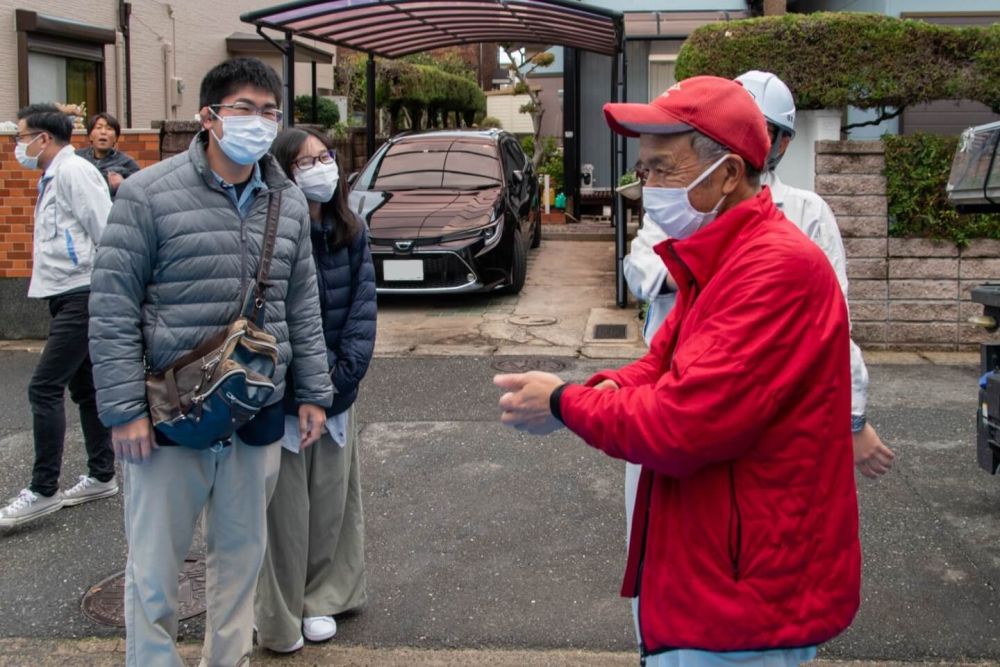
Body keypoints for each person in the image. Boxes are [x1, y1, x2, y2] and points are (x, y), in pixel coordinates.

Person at [496, 76, 861, 666]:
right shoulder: (725, 252)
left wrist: (566, 403)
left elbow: (684, 424)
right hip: (723, 574)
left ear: (728, 174)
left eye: (663, 170)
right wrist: (597, 390)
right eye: (644, 172)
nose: (650, 189)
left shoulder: (773, 269)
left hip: (747, 601)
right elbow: (661, 362)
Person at [88, 57, 333, 666]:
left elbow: (301, 302)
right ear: (210, 116)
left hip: (256, 411)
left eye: (269, 112)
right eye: (244, 109)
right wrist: (122, 410)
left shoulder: (288, 200)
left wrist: (313, 392)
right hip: (169, 416)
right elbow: (113, 304)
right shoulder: (149, 193)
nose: (258, 122)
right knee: (153, 573)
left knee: (239, 565)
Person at [735, 70, 895, 480]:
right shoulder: (694, 203)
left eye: (760, 129)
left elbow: (834, 322)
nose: (744, 138)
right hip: (711, 405)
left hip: (787, 403)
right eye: (736, 125)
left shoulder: (807, 212)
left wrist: (853, 418)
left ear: (783, 142)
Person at [255, 127, 376, 653]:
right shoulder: (271, 232)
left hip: (337, 388)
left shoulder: (351, 228)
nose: (322, 167)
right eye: (307, 162)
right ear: (284, 170)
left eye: (326, 156)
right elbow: (276, 317)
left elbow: (363, 312)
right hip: (284, 390)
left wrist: (336, 380)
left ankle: (322, 597)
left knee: (330, 502)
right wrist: (310, 382)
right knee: (283, 510)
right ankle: (279, 613)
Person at [0, 104, 116, 529]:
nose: (18, 147)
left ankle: (43, 489)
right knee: (85, 388)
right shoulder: (53, 176)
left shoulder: (74, 173)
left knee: (43, 387)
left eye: (21, 137)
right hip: (65, 293)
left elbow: (107, 231)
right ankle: (102, 475)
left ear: (43, 139)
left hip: (83, 294)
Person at [76, 112, 140, 197]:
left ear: (116, 138)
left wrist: (123, 185)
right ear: (90, 136)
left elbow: (140, 191)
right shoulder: (77, 158)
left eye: (109, 128)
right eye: (98, 127)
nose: (103, 132)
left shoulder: (127, 162)